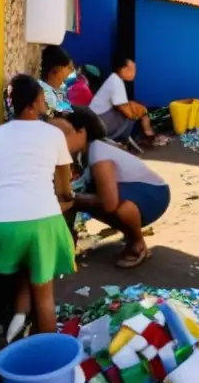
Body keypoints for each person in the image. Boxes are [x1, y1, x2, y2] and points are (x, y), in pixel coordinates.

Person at [0, 74, 76, 339]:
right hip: (44, 222)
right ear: (35, 102)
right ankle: (47, 356)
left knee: (10, 268)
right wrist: (67, 197)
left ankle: (4, 326)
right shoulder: (54, 134)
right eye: (43, 97)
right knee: (44, 294)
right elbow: (64, 189)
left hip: (2, 224)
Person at [54, 108, 171, 270]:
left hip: (151, 194)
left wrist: (71, 197)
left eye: (64, 136)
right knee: (72, 199)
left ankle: (137, 244)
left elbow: (108, 203)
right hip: (128, 190)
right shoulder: (83, 151)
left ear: (81, 132)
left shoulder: (99, 155)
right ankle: (66, 245)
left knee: (115, 207)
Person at [88, 57, 166, 146]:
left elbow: (122, 105)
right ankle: (145, 135)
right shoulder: (116, 82)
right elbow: (128, 113)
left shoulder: (114, 79)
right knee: (137, 115)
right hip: (101, 122)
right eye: (132, 69)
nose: (135, 72)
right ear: (123, 69)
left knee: (139, 109)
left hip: (97, 120)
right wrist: (143, 112)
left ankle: (147, 133)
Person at [38, 46, 74, 117]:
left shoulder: (52, 92)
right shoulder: (46, 95)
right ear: (57, 69)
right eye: (69, 68)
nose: (70, 73)